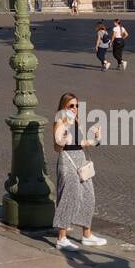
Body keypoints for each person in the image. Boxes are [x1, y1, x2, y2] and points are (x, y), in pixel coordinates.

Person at [52, 93, 106, 249]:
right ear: (64, 107)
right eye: (71, 106)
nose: (75, 108)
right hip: (67, 162)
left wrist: (96, 140)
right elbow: (57, 147)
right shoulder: (59, 123)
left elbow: (81, 143)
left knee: (89, 196)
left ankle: (87, 235)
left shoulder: (76, 121)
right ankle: (62, 238)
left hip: (81, 160)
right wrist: (64, 133)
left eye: (77, 106)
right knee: (69, 197)